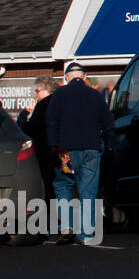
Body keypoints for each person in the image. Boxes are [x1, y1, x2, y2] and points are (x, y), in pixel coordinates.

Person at [44, 62, 115, 245]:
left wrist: (52, 146)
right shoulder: (96, 95)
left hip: (66, 150)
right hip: (92, 148)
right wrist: (110, 146)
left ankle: (67, 226)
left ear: (67, 77)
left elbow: (51, 121)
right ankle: (86, 234)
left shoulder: (59, 94)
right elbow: (108, 123)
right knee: (88, 190)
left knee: (63, 184)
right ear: (84, 77)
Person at [16, 75, 58, 200]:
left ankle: (50, 209)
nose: (36, 94)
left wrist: (23, 119)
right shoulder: (59, 102)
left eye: (37, 91)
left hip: (45, 149)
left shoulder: (43, 105)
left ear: (46, 90)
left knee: (47, 182)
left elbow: (32, 128)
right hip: (59, 148)